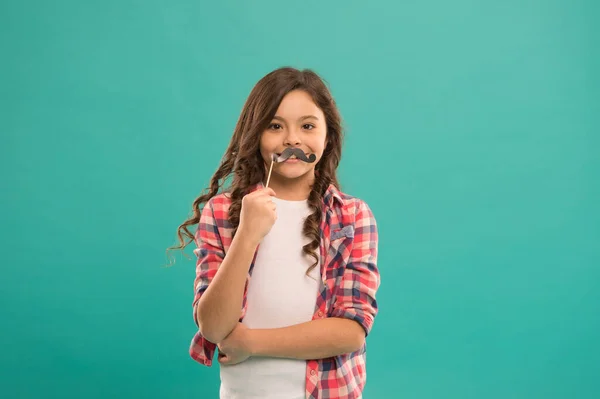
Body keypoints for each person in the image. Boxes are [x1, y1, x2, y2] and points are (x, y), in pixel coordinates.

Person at [168, 67, 380, 399]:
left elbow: (351, 331)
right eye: (275, 126)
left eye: (307, 126)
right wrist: (247, 234)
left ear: (328, 136)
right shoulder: (223, 212)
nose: (292, 140)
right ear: (256, 135)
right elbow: (212, 327)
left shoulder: (351, 217)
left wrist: (250, 343)